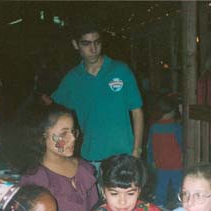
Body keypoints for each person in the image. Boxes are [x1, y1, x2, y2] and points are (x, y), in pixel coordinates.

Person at [50, 18, 144, 170]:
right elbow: (53, 112)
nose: (93, 49)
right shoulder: (72, 79)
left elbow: (137, 112)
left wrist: (136, 151)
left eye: (97, 42)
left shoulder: (121, 70)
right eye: (86, 43)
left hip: (123, 157)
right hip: (89, 159)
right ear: (75, 44)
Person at [7, 103, 99, 211]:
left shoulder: (84, 169)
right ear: (42, 137)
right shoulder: (35, 178)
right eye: (63, 134)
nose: (73, 138)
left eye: (73, 131)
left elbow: (97, 210)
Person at [146, 93, 183, 208]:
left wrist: (151, 160)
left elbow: (150, 146)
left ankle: (160, 205)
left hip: (161, 164)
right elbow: (182, 144)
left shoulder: (154, 127)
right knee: (179, 186)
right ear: (172, 111)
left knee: (161, 186)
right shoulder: (176, 127)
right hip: (176, 164)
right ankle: (181, 205)